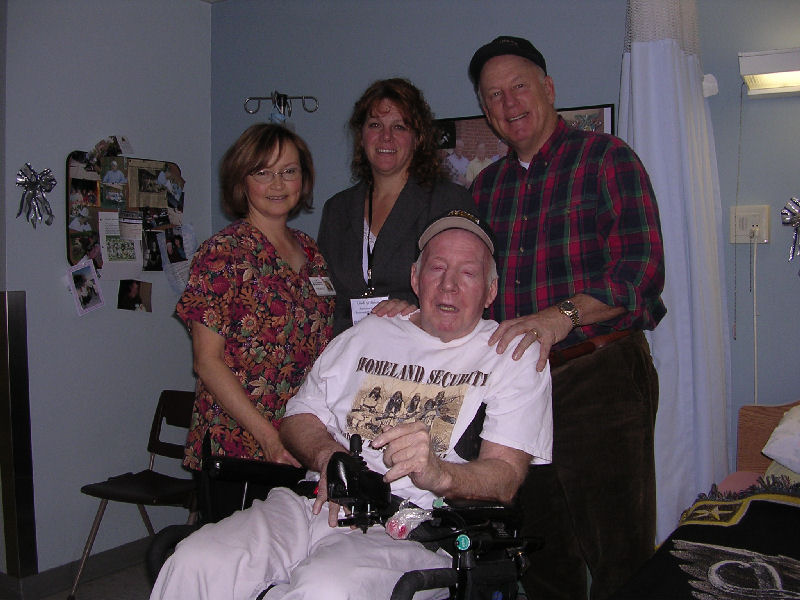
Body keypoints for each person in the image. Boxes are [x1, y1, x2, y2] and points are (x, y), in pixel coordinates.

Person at [151, 210, 552, 600]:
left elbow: (505, 477)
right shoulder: (369, 333)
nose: (448, 285)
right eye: (436, 268)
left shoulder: (511, 356)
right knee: (195, 560)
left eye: (468, 273)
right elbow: (298, 419)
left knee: (325, 588)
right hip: (312, 503)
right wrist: (329, 456)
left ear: (491, 291)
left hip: (413, 525)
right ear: (415, 277)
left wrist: (440, 474)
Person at [468, 36, 666, 600]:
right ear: (486, 111)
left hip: (599, 377)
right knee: (540, 553)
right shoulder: (487, 188)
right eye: (494, 96)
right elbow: (471, 287)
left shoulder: (608, 159)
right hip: (520, 388)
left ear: (549, 89)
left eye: (520, 87)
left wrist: (563, 315)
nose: (508, 104)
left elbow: (641, 271)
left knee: (617, 552)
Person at [175, 123, 335, 513]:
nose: (277, 183)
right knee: (237, 563)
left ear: (304, 179)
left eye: (289, 171)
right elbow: (206, 361)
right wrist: (269, 437)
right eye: (262, 172)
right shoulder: (221, 254)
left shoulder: (311, 252)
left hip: (301, 434)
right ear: (241, 181)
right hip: (240, 441)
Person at [318, 78, 473, 336]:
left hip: (420, 354)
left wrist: (416, 313)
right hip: (350, 355)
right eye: (375, 125)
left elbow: (469, 295)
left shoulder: (448, 202)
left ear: (418, 137)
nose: (386, 137)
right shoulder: (337, 209)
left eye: (399, 126)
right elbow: (327, 298)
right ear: (362, 135)